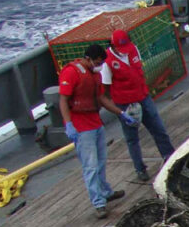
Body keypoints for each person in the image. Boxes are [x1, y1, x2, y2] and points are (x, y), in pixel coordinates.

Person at [58, 44, 136, 218]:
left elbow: (101, 98)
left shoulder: (95, 74)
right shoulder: (71, 73)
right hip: (81, 127)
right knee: (90, 166)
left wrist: (121, 113)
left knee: (100, 162)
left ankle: (105, 192)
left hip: (95, 122)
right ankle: (98, 203)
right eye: (98, 62)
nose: (99, 65)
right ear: (88, 59)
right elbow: (63, 100)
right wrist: (68, 124)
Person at [102, 29, 175, 181]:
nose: (124, 52)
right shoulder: (107, 62)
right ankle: (140, 168)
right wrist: (120, 111)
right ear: (113, 46)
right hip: (125, 104)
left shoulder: (133, 50)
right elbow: (106, 89)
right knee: (132, 138)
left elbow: (140, 69)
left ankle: (170, 157)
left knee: (159, 129)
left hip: (143, 96)